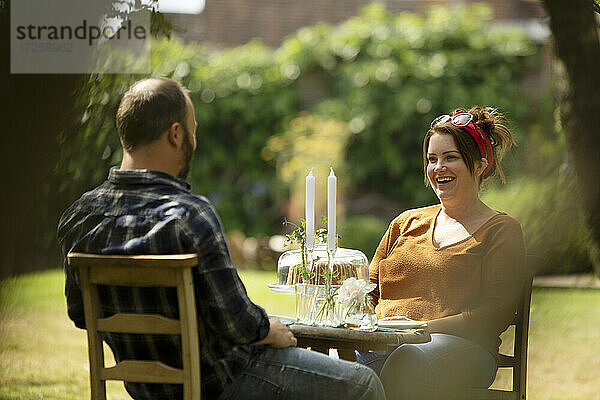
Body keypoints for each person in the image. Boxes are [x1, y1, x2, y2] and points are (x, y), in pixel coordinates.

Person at [58, 77, 385, 400]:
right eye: (193, 132)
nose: (194, 142)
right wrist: (268, 328)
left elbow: (81, 313)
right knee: (362, 383)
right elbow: (236, 323)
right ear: (176, 135)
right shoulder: (189, 216)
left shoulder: (80, 216)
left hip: (147, 390)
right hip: (223, 381)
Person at [359, 107, 527, 399]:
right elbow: (367, 291)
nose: (438, 168)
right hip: (384, 343)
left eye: (450, 158)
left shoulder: (501, 230)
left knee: (408, 359)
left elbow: (493, 315)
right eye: (432, 159)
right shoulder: (405, 223)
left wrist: (418, 329)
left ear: (479, 165)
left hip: (462, 350)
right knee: (328, 363)